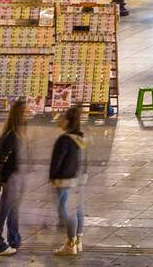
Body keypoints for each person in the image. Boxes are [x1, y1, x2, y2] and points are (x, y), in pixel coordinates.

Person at [0, 100, 27, 256]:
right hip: (10, 179)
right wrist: (2, 180)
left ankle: (14, 239)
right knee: (3, 212)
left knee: (14, 211)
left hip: (15, 177)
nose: (28, 114)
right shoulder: (10, 135)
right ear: (18, 114)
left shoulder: (18, 132)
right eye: (24, 112)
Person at [49, 105, 87, 255]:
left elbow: (57, 161)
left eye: (62, 117)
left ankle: (70, 244)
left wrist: (52, 176)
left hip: (65, 180)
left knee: (65, 210)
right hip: (79, 179)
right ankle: (78, 240)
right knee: (78, 209)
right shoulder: (81, 137)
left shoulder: (63, 140)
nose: (60, 120)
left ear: (67, 121)